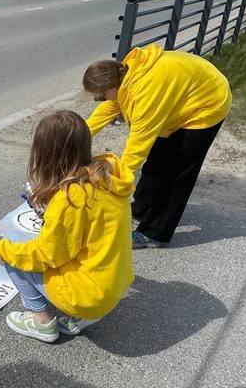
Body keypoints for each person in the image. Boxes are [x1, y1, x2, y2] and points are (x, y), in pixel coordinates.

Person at [0, 110, 134, 343]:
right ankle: (82, 317)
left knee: (15, 254)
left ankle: (42, 323)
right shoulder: (106, 175)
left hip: (90, 296)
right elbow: (89, 227)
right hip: (116, 282)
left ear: (46, 154)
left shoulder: (71, 198)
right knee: (31, 251)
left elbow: (44, 256)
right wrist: (47, 212)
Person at [83, 44, 232, 248]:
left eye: (100, 94)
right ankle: (142, 209)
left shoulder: (147, 94)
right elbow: (109, 107)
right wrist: (78, 134)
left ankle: (154, 233)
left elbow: (136, 149)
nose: (99, 99)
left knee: (176, 173)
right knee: (156, 161)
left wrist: (115, 188)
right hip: (181, 96)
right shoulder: (126, 76)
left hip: (206, 103)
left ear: (112, 87)